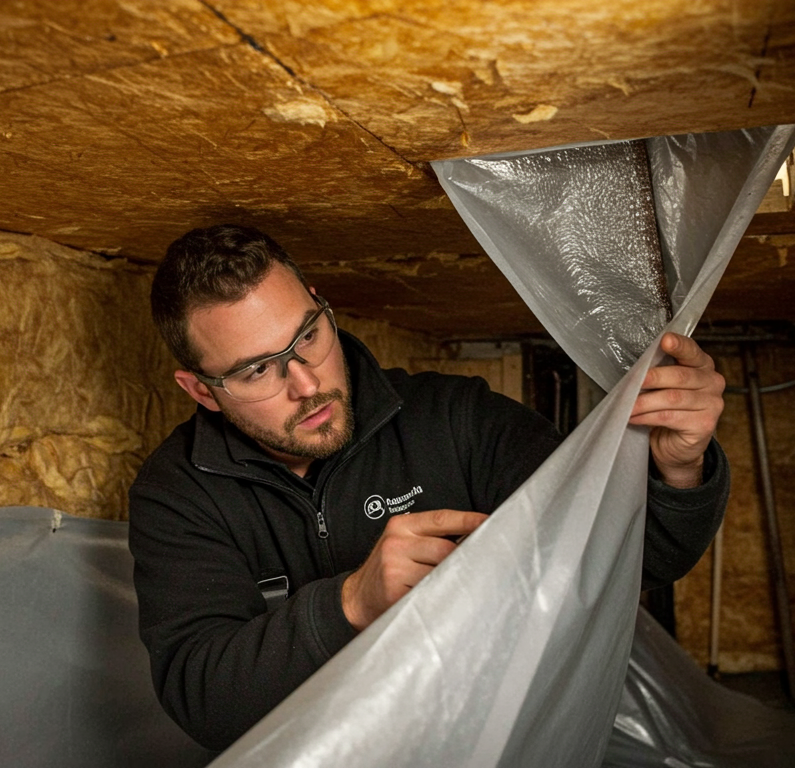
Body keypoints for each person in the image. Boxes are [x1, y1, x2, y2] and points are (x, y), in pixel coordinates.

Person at [128, 224, 729, 751]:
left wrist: (676, 469)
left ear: (320, 306)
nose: (307, 384)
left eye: (307, 336)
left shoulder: (458, 418)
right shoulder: (178, 492)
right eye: (257, 369)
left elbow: (635, 557)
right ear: (202, 390)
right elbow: (202, 698)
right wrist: (350, 606)